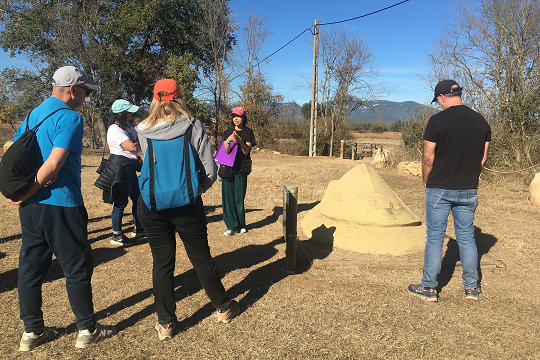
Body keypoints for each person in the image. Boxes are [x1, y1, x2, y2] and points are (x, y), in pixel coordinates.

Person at [10, 66, 116, 351]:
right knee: (77, 267)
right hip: (62, 204)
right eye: (85, 90)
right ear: (72, 90)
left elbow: (17, 154)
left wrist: (24, 194)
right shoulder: (69, 117)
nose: (86, 96)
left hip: (31, 209)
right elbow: (54, 164)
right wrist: (32, 189)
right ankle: (87, 329)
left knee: (30, 269)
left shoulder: (34, 114)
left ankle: (31, 333)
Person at [135, 79, 240, 341]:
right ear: (179, 98)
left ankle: (166, 324)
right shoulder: (193, 126)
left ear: (155, 99)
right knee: (201, 258)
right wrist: (194, 190)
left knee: (162, 263)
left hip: (152, 204)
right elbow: (209, 170)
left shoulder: (143, 129)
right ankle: (224, 308)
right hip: (187, 204)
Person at [408, 79, 491, 302]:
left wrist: (426, 180)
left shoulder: (436, 121)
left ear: (443, 97)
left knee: (434, 237)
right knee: (466, 238)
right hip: (468, 188)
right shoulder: (482, 122)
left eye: (439, 101)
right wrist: (470, 177)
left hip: (439, 187)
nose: (439, 104)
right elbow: (482, 158)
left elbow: (428, 157)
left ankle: (429, 288)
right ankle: (472, 288)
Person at [106, 99, 143, 245]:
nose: (132, 114)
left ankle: (138, 227)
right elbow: (132, 147)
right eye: (129, 112)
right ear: (122, 113)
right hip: (120, 168)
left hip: (130, 166)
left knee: (138, 197)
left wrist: (138, 143)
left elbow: (137, 141)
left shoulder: (127, 126)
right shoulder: (115, 129)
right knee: (121, 201)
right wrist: (139, 144)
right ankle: (117, 234)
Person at [221, 106, 256, 236]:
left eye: (239, 116)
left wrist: (240, 140)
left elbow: (246, 151)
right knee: (228, 198)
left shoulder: (248, 132)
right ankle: (231, 226)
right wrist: (228, 140)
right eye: (234, 116)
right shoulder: (227, 132)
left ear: (244, 118)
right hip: (228, 170)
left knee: (239, 198)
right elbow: (226, 151)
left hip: (242, 169)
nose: (236, 118)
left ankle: (241, 225)